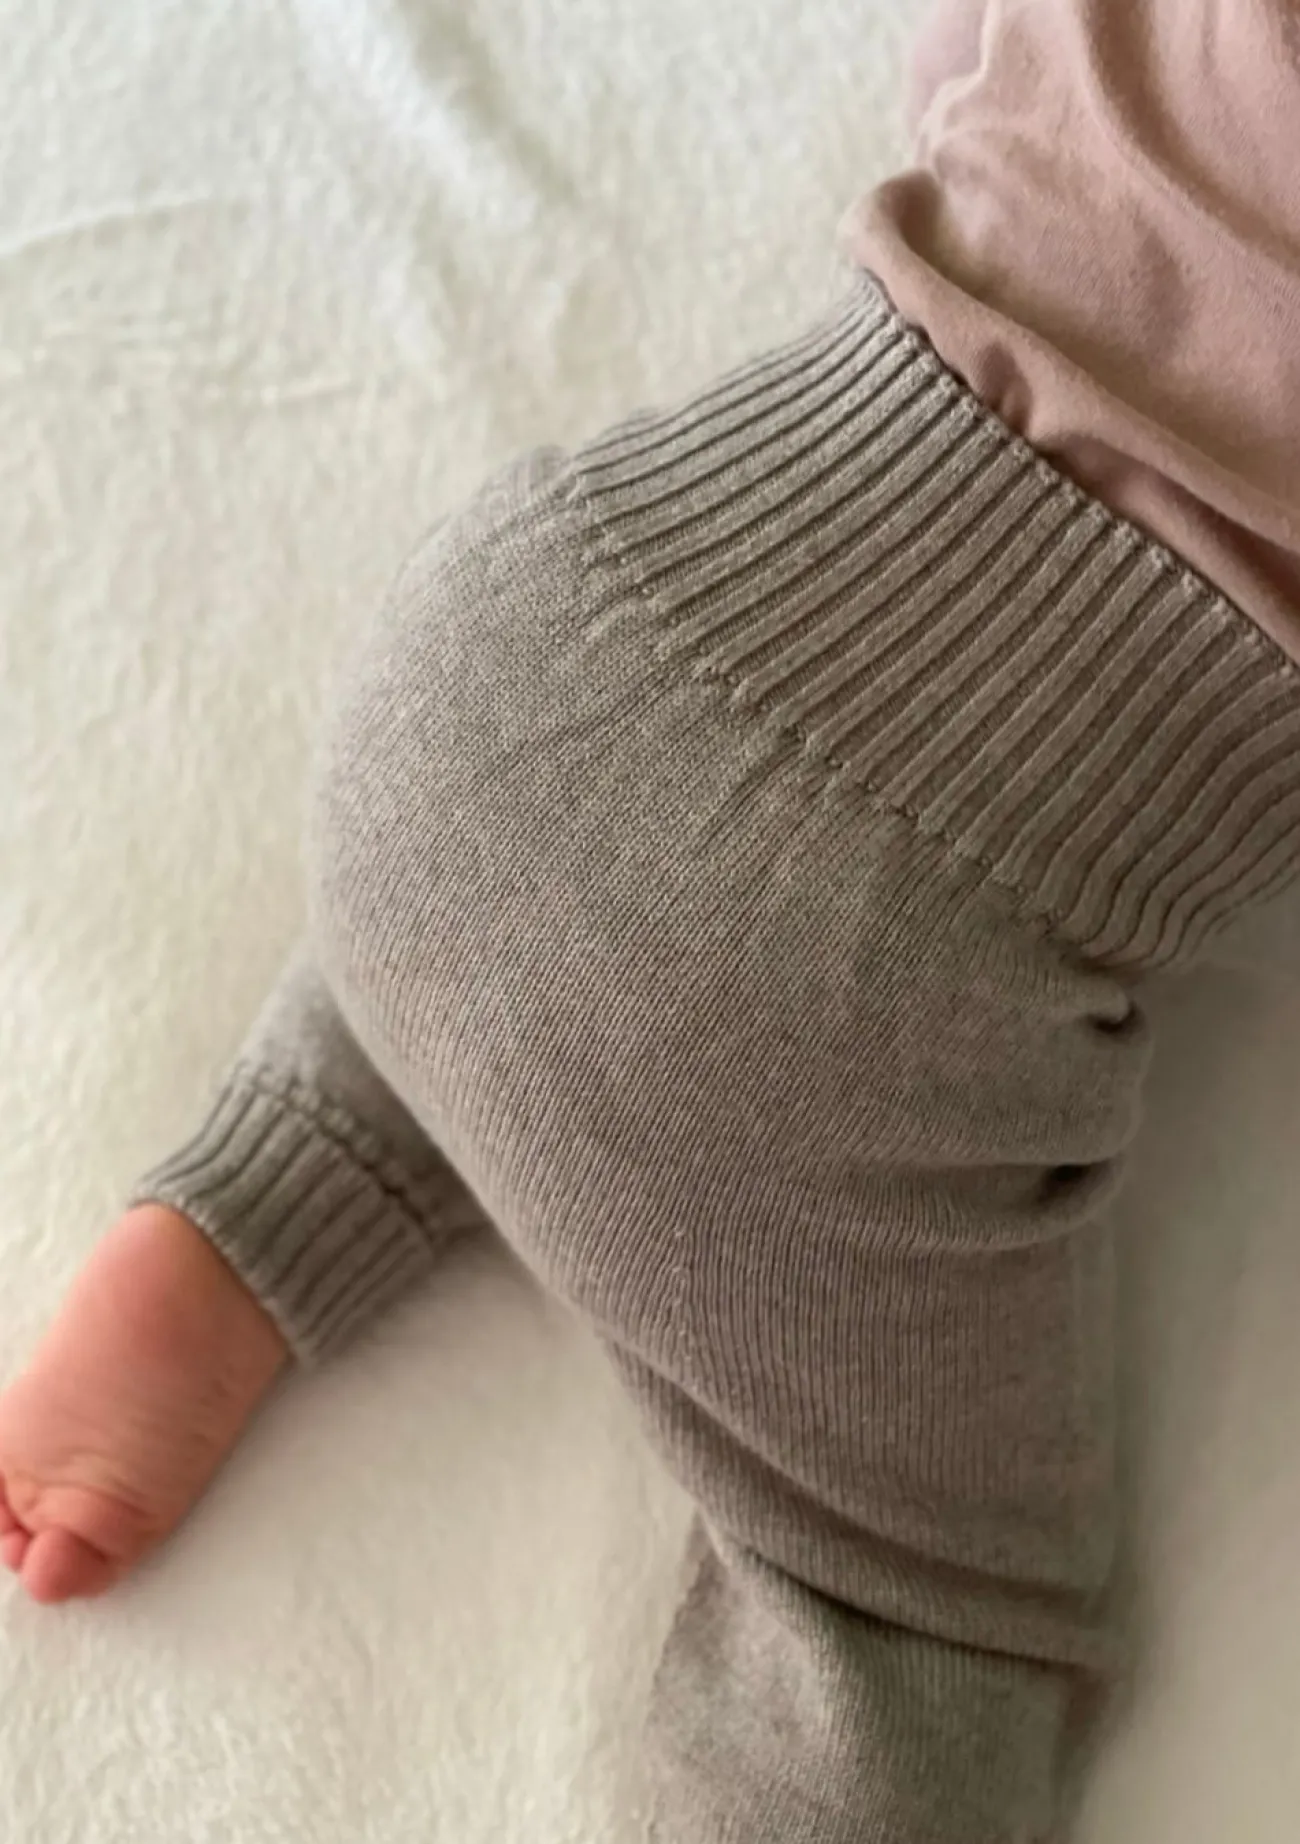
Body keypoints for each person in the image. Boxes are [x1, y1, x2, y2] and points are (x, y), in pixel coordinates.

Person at [5, 2, 1300, 1837]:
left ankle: (278, 1185)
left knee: (509, 935)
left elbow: (960, 68)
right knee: (915, 1623)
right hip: (853, 971)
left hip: (505, 636)